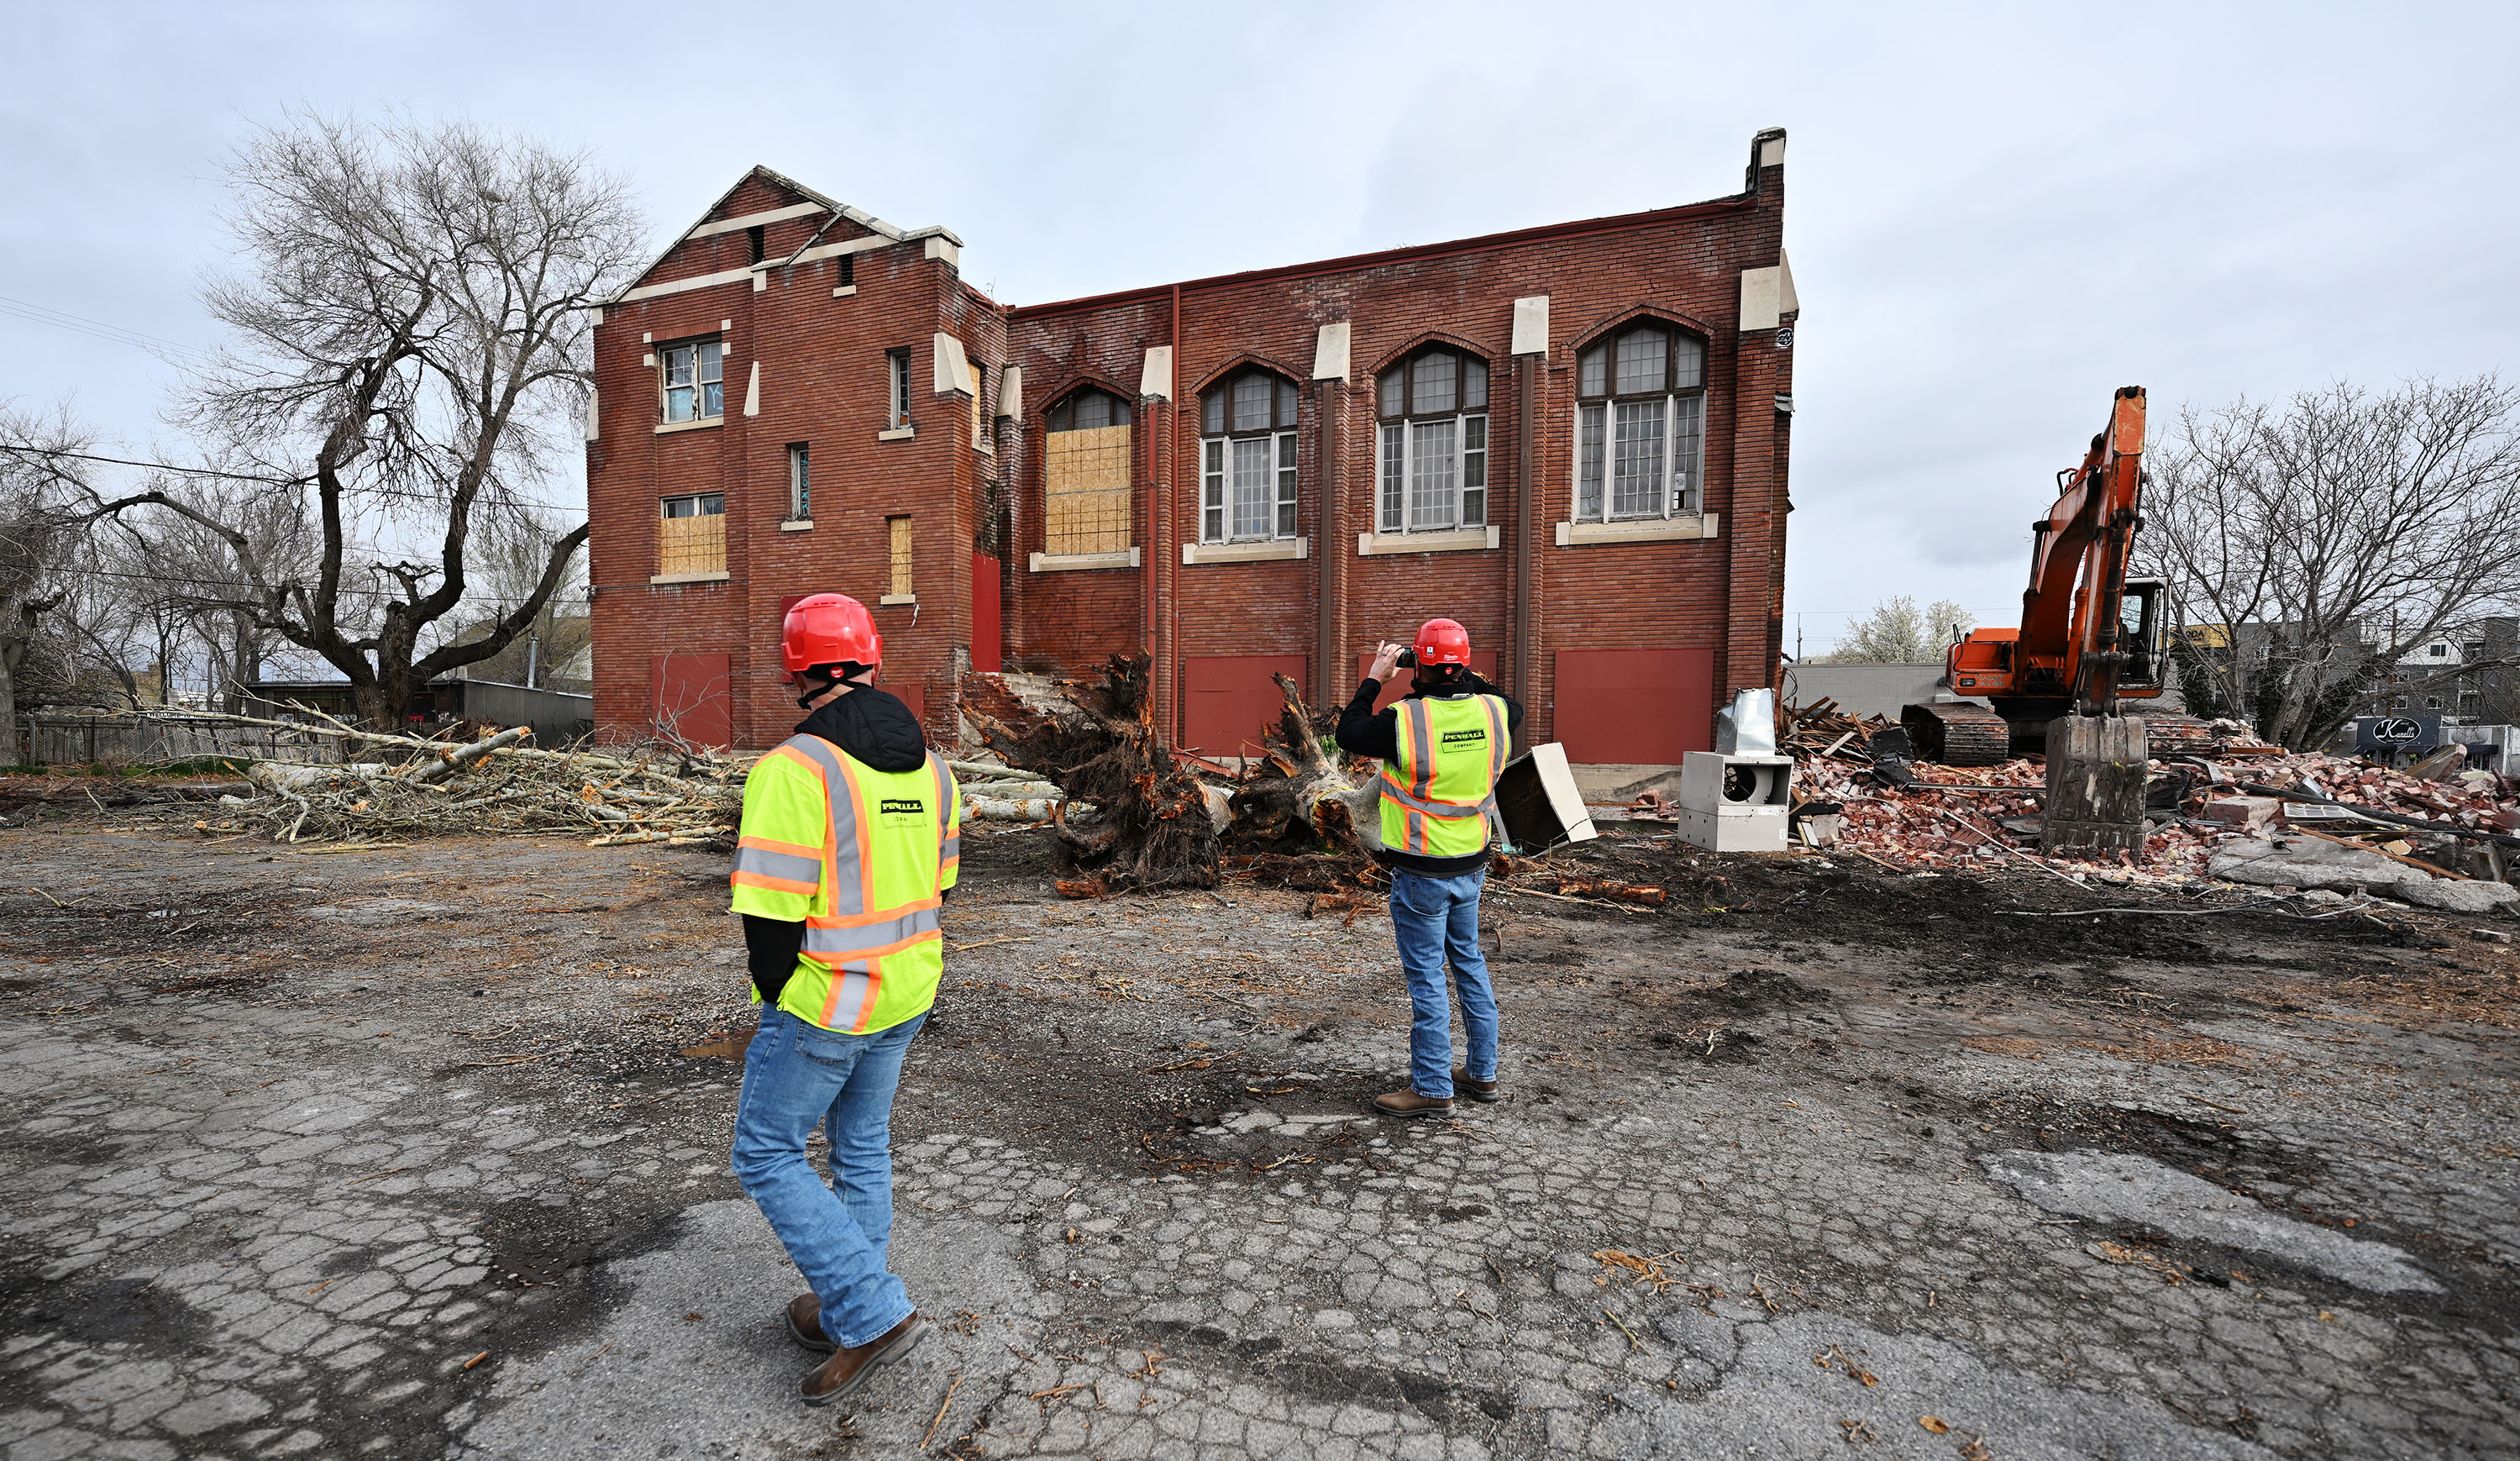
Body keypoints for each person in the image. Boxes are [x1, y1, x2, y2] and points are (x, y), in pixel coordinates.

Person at [727, 591, 962, 1406]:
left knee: (764, 1150)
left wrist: (782, 998)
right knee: (860, 1147)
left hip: (827, 1002)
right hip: (908, 991)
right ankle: (846, 1305)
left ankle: (869, 1311)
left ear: (798, 669)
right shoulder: (935, 770)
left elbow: (768, 917)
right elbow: (942, 883)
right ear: (872, 660)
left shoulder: (794, 769)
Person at [1336, 618, 1522, 1117]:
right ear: (1463, 666)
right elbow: (1497, 694)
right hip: (1472, 864)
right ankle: (1482, 1073)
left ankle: (1433, 1087)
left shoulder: (1405, 719)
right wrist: (1456, 669)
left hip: (1422, 869)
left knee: (1426, 977)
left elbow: (1347, 731)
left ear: (1418, 665)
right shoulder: (1496, 710)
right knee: (1469, 965)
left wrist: (1377, 675)